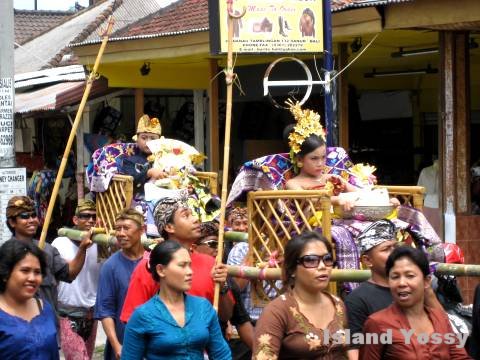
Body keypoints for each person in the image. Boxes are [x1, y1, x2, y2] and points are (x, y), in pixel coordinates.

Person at [119, 195, 232, 324]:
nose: (196, 219)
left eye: (193, 214)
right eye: (186, 216)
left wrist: (222, 287)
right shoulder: (150, 267)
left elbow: (225, 316)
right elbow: (132, 322)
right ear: (169, 227)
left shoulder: (210, 263)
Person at [253, 231, 355, 359]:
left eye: (327, 259)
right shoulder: (277, 312)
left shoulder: (338, 304)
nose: (322, 266)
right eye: (311, 260)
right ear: (292, 269)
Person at [121, 240, 231, 359]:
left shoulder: (203, 307)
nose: (190, 272)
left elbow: (221, 355)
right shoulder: (143, 315)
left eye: (190, 265)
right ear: (161, 270)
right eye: (182, 265)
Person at [361, 246, 471, 359]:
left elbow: (460, 357)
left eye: (410, 276)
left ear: (426, 281)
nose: (402, 283)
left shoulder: (440, 318)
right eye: (395, 277)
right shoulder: (377, 323)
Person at [5, 195, 91, 310]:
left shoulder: (47, 250)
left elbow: (70, 273)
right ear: (12, 222)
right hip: (18, 323)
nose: (32, 220)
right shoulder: (5, 255)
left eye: (34, 215)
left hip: (48, 323)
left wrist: (82, 249)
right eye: (25, 216)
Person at [51, 199, 102, 360]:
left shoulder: (100, 244)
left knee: (87, 355)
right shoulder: (60, 242)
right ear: (75, 220)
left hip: (91, 314)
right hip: (68, 313)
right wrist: (83, 247)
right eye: (85, 216)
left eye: (94, 217)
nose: (90, 220)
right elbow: (68, 272)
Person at [94, 209, 145, 360]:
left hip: (154, 341)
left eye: (126, 228)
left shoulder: (154, 262)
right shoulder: (110, 266)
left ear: (142, 230)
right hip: (124, 342)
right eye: (118, 229)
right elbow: (105, 311)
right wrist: (117, 346)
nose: (121, 233)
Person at [0, 239, 59, 359]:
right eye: (25, 271)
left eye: (37, 272)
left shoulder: (45, 308)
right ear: (5, 273)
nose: (32, 278)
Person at [87, 114, 165, 194]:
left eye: (153, 138)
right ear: (136, 139)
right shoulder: (130, 157)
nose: (148, 142)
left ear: (160, 140)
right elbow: (128, 173)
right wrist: (148, 173)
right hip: (139, 198)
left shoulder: (166, 156)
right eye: (144, 138)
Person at [417, 156, 441, 234]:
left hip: (430, 201)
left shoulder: (425, 171)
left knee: (429, 228)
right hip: (435, 202)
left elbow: (419, 188)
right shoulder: (445, 171)